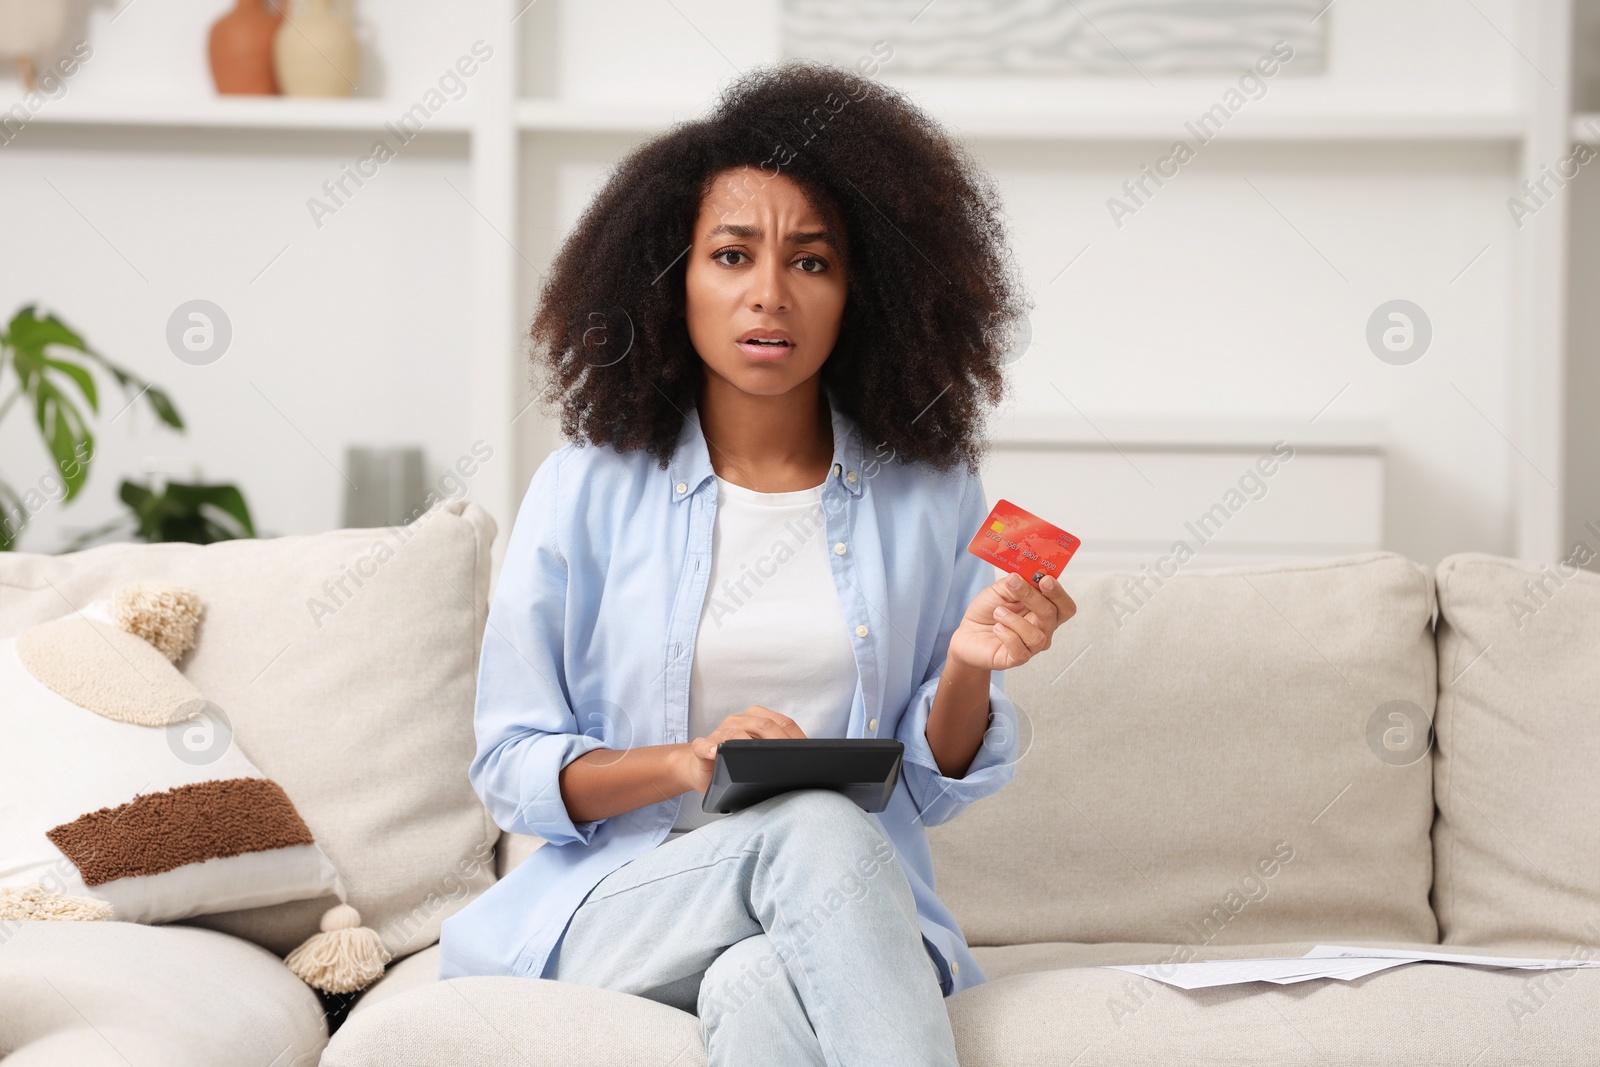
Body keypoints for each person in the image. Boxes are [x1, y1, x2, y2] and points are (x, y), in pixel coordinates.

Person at [438, 59, 1077, 1066]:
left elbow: (927, 782)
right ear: (670, 278)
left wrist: (967, 664)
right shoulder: (584, 488)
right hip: (630, 907)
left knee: (757, 984)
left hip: (847, 917)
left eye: (812, 262)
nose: (769, 295)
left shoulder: (930, 490)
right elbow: (510, 768)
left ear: (863, 287)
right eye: (732, 256)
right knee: (814, 820)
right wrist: (688, 762)